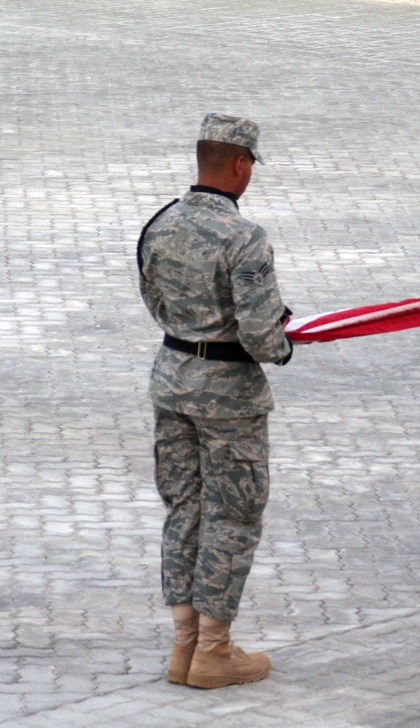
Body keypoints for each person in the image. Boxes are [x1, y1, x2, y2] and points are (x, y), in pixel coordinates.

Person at [138, 113, 293, 687]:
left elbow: (154, 301)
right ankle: (214, 650)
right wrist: (283, 342)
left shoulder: (160, 223)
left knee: (186, 509)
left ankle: (183, 647)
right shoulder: (243, 237)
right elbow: (260, 337)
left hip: (172, 379)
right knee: (232, 517)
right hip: (229, 398)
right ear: (240, 165)